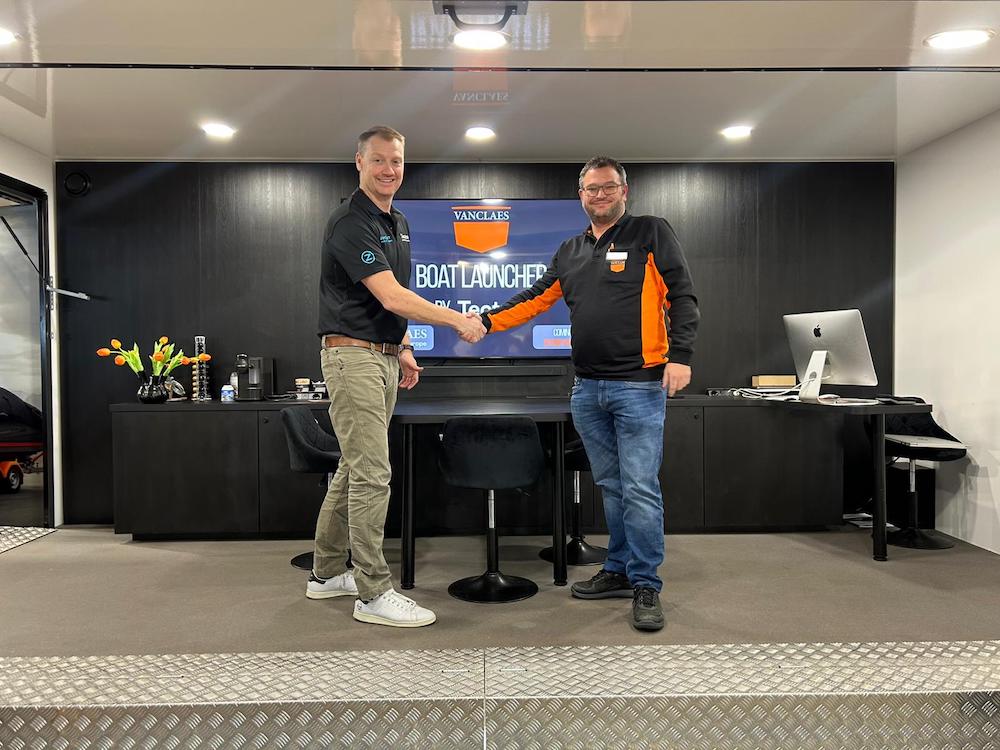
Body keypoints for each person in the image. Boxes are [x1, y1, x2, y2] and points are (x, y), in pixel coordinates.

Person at [478, 156, 699, 631]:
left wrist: (680, 355)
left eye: (608, 187)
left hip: (639, 385)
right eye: (591, 189)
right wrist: (484, 322)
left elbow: (681, 295)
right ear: (581, 195)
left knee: (639, 488)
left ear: (624, 191)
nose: (599, 195)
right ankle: (618, 569)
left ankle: (646, 584)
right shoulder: (570, 250)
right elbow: (534, 298)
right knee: (614, 488)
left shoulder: (650, 232)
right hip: (587, 389)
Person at [310, 125, 486, 628]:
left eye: (397, 161)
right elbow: (390, 295)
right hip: (353, 358)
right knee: (372, 473)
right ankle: (373, 592)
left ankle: (326, 574)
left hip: (382, 357)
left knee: (354, 468)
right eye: (379, 160)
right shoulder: (351, 221)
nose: (389, 170)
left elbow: (393, 301)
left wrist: (404, 347)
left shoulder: (398, 222)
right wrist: (457, 320)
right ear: (359, 162)